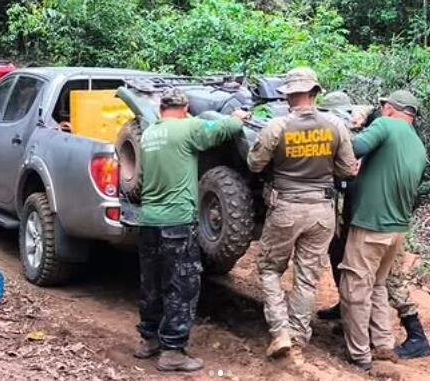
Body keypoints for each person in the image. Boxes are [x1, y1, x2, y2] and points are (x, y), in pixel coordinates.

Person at [247, 68, 358, 366]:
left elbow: (255, 164)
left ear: (287, 95)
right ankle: (298, 336)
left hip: (286, 208)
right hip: (322, 212)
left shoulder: (277, 126)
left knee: (270, 269)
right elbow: (348, 169)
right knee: (307, 277)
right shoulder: (335, 125)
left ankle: (280, 330)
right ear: (315, 92)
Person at [134, 87, 249, 372]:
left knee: (152, 282)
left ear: (162, 109)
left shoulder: (149, 134)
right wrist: (238, 116)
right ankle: (173, 350)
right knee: (182, 285)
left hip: (148, 221)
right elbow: (224, 128)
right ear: (185, 108)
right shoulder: (188, 128)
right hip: (176, 221)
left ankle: (149, 339)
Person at [318, 101, 430, 361]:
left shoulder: (385, 124)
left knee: (355, 287)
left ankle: (359, 354)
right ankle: (383, 345)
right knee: (378, 284)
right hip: (398, 227)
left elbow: (353, 149)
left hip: (371, 224)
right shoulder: (417, 144)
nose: (381, 111)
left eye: (383, 106)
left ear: (391, 108)